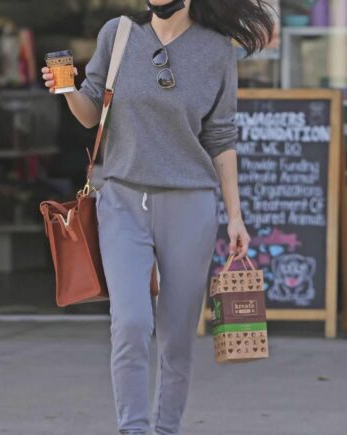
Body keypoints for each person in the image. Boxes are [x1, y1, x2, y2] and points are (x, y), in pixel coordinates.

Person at [41, 1, 273, 433]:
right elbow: (92, 113)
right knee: (130, 323)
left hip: (190, 205)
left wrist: (235, 216)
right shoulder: (119, 34)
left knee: (176, 337)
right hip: (122, 200)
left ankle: (165, 429)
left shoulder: (217, 50)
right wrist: (65, 88)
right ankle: (133, 428)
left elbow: (221, 137)